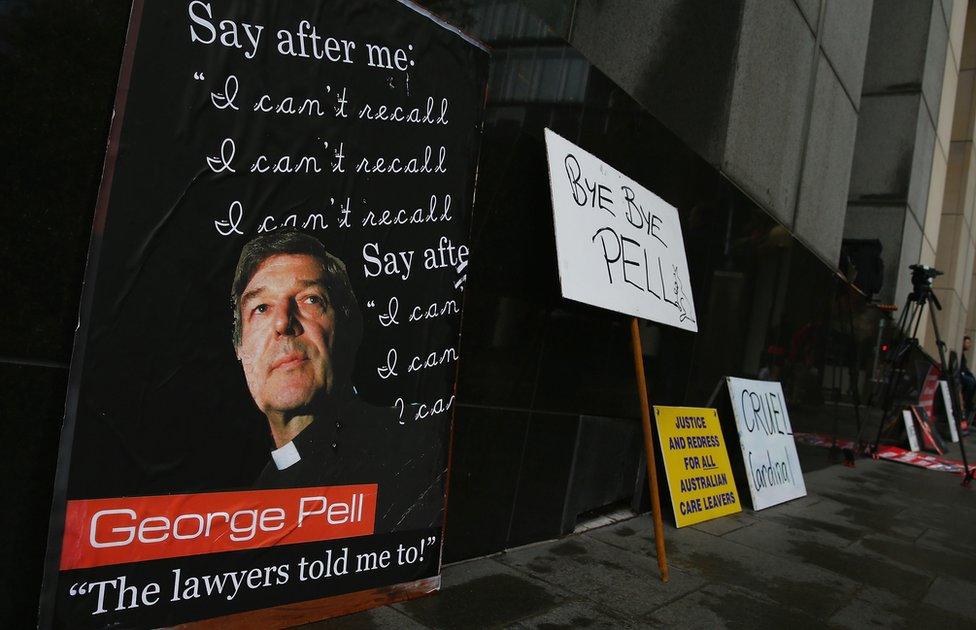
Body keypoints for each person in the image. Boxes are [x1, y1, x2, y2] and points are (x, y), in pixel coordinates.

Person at [231, 229, 442, 531]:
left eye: (310, 299)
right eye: (261, 308)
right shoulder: (254, 503)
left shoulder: (417, 449)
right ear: (240, 348)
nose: (282, 322)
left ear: (350, 327)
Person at [960, 336, 975, 416]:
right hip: (959, 375)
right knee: (970, 382)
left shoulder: (963, 355)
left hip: (963, 374)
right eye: (968, 342)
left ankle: (970, 403)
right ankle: (966, 402)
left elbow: (965, 368)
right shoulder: (960, 353)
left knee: (973, 380)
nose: (969, 345)